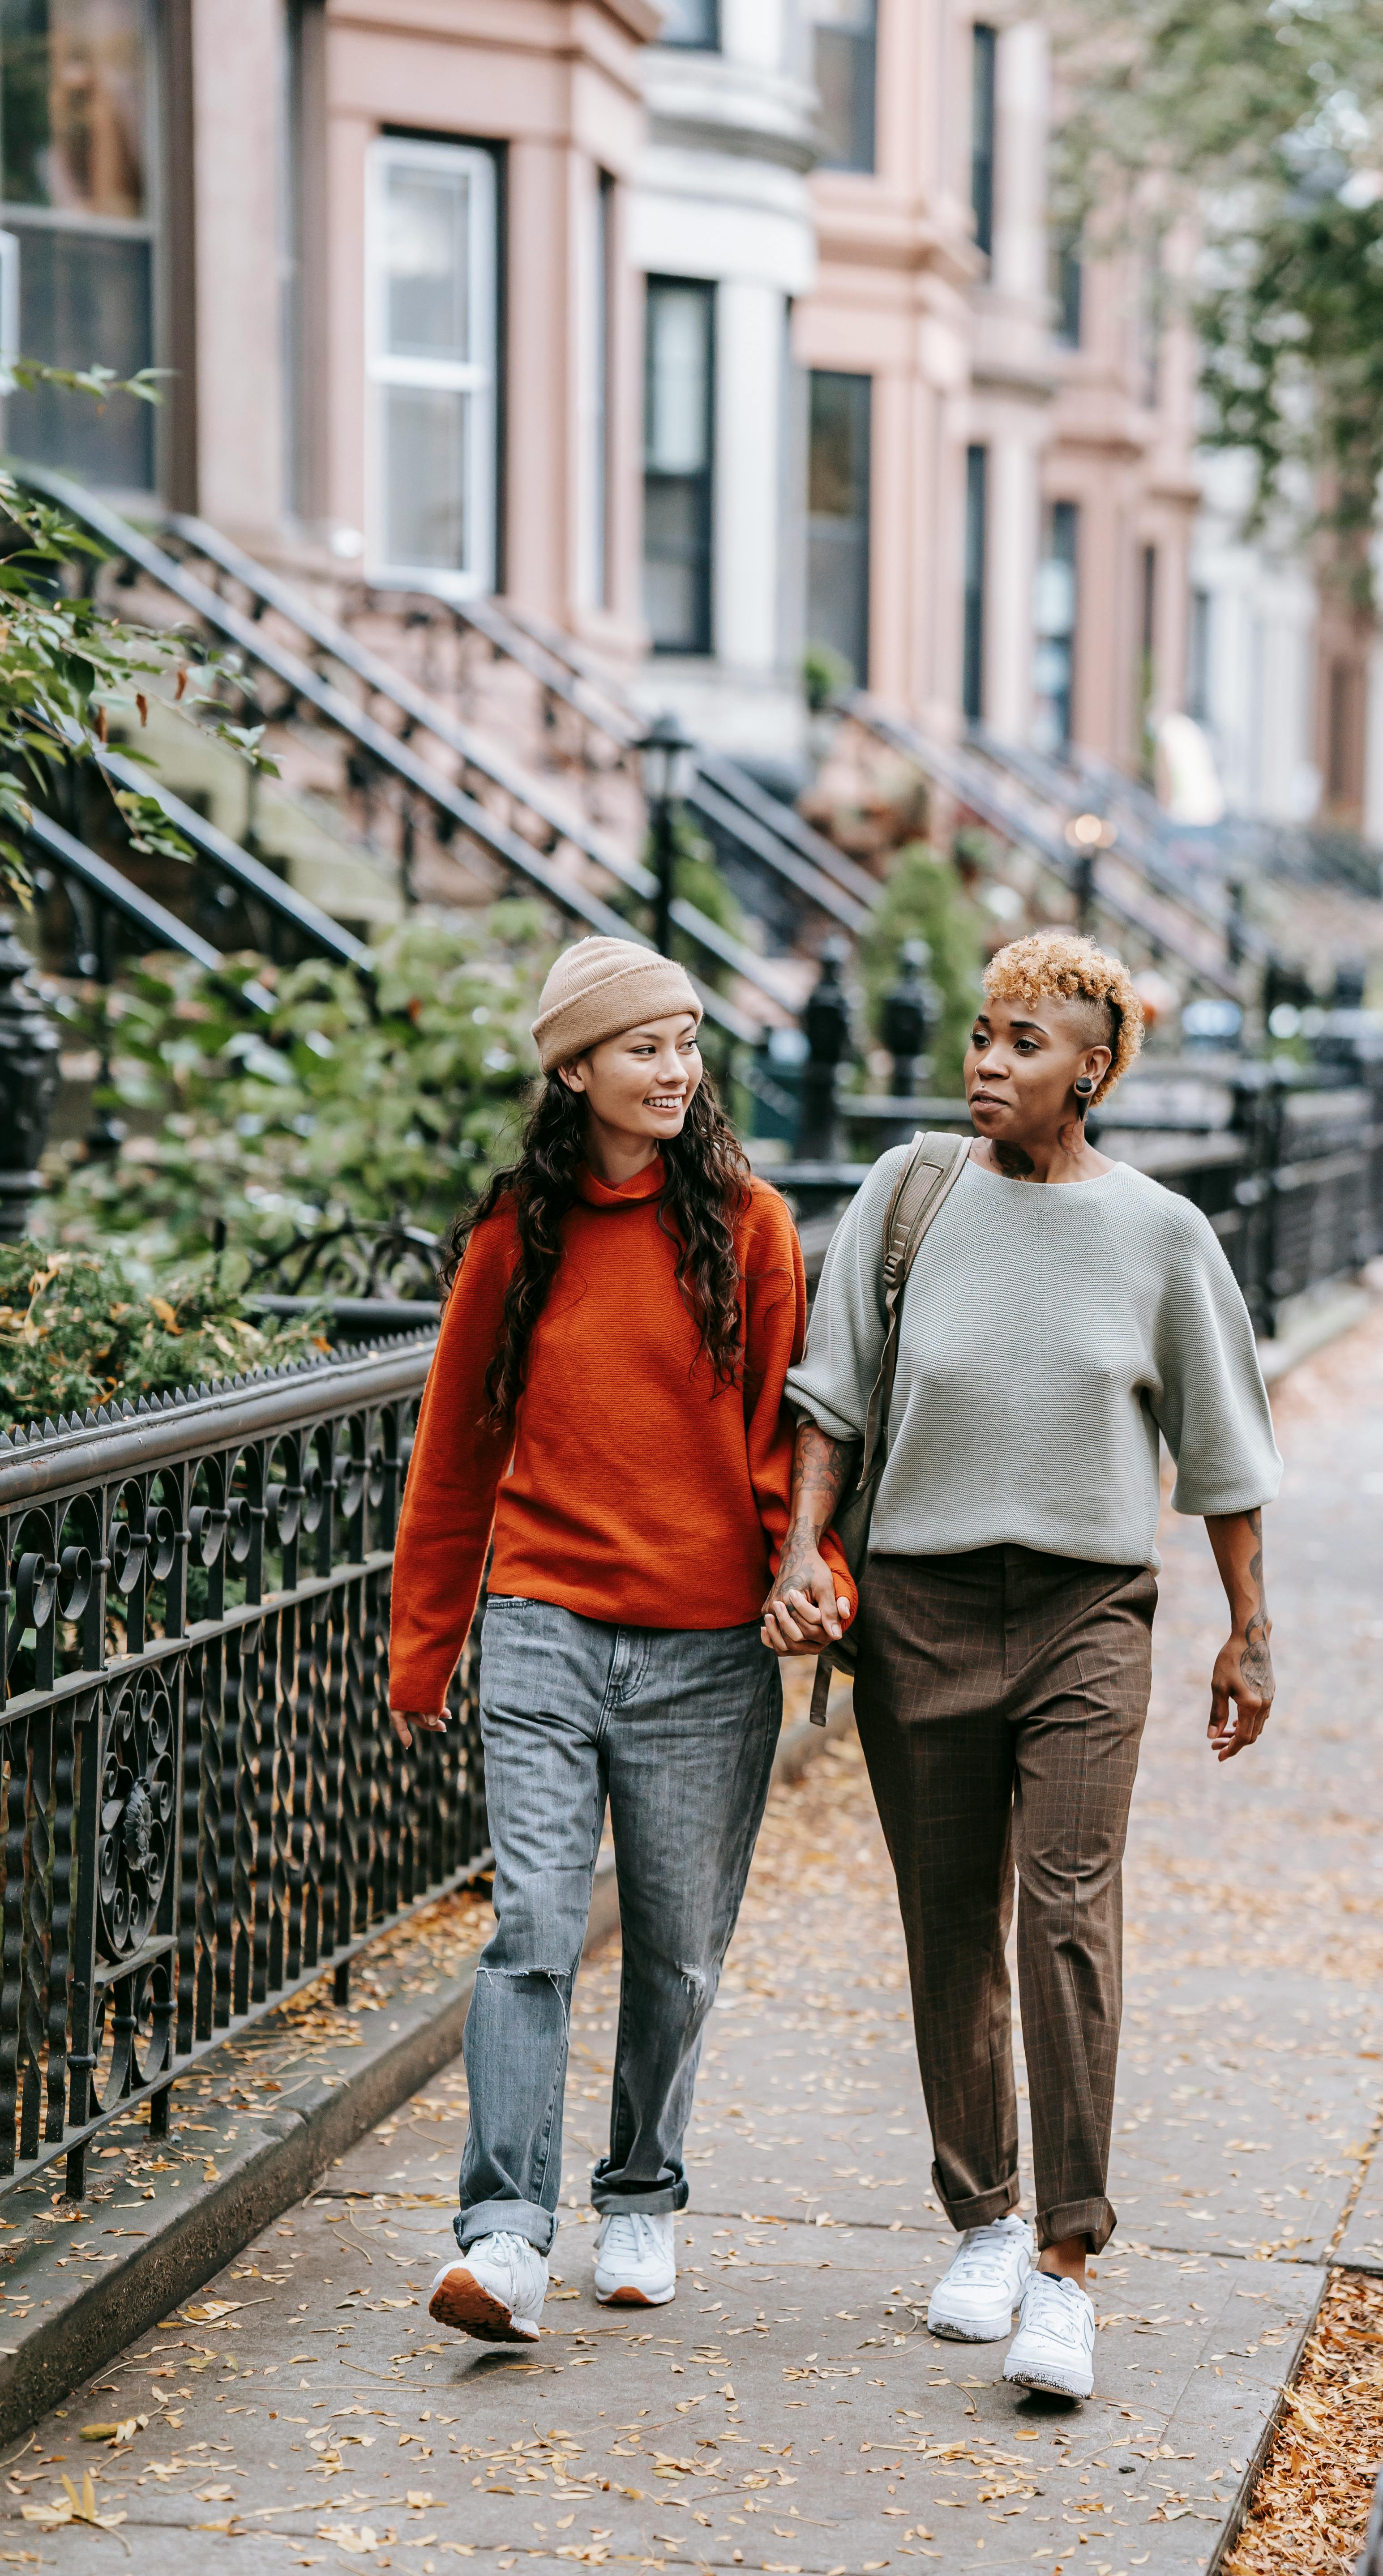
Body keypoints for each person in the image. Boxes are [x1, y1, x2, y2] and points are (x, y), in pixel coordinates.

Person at [764, 930, 1280, 2403]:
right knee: (947, 1921)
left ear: (1093, 1070)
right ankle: (980, 2216)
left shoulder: (1159, 1233)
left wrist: (1250, 1630)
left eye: (1025, 1042)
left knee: (1064, 1912)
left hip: (1086, 1612)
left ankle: (1064, 2259)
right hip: (917, 1605)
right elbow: (832, 1396)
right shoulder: (907, 1193)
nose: (988, 1061)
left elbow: (1224, 1456)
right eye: (982, 1034)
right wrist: (804, 1555)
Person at [388, 935, 852, 2344]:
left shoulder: (752, 1226)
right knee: (531, 1926)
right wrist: (427, 1640)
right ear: (574, 1066)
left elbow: (792, 1435)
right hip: (541, 1624)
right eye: (642, 1044)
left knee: (677, 1948)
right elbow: (454, 1451)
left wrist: (808, 1564)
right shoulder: (509, 1237)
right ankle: (507, 2233)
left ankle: (640, 2192)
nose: (673, 1068)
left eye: (687, 1041)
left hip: (707, 1647)